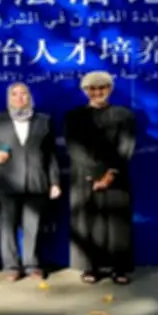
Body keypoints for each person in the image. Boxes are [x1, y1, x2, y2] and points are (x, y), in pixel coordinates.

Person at [64, 71, 136, 285]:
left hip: (116, 176)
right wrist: (95, 175)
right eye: (92, 89)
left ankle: (119, 268)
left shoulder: (124, 115)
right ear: (85, 91)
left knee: (117, 224)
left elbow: (126, 146)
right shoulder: (73, 116)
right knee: (87, 223)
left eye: (102, 88)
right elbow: (74, 148)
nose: (97, 92)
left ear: (110, 89)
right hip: (84, 177)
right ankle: (90, 268)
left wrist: (110, 174)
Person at [0, 82, 61, 281]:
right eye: (14, 94)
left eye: (23, 93)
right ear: (8, 98)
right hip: (5, 182)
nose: (19, 97)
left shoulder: (43, 121)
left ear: (30, 97)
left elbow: (50, 154)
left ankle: (32, 265)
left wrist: (54, 182)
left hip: (36, 181)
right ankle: (11, 266)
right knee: (7, 226)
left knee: (32, 226)